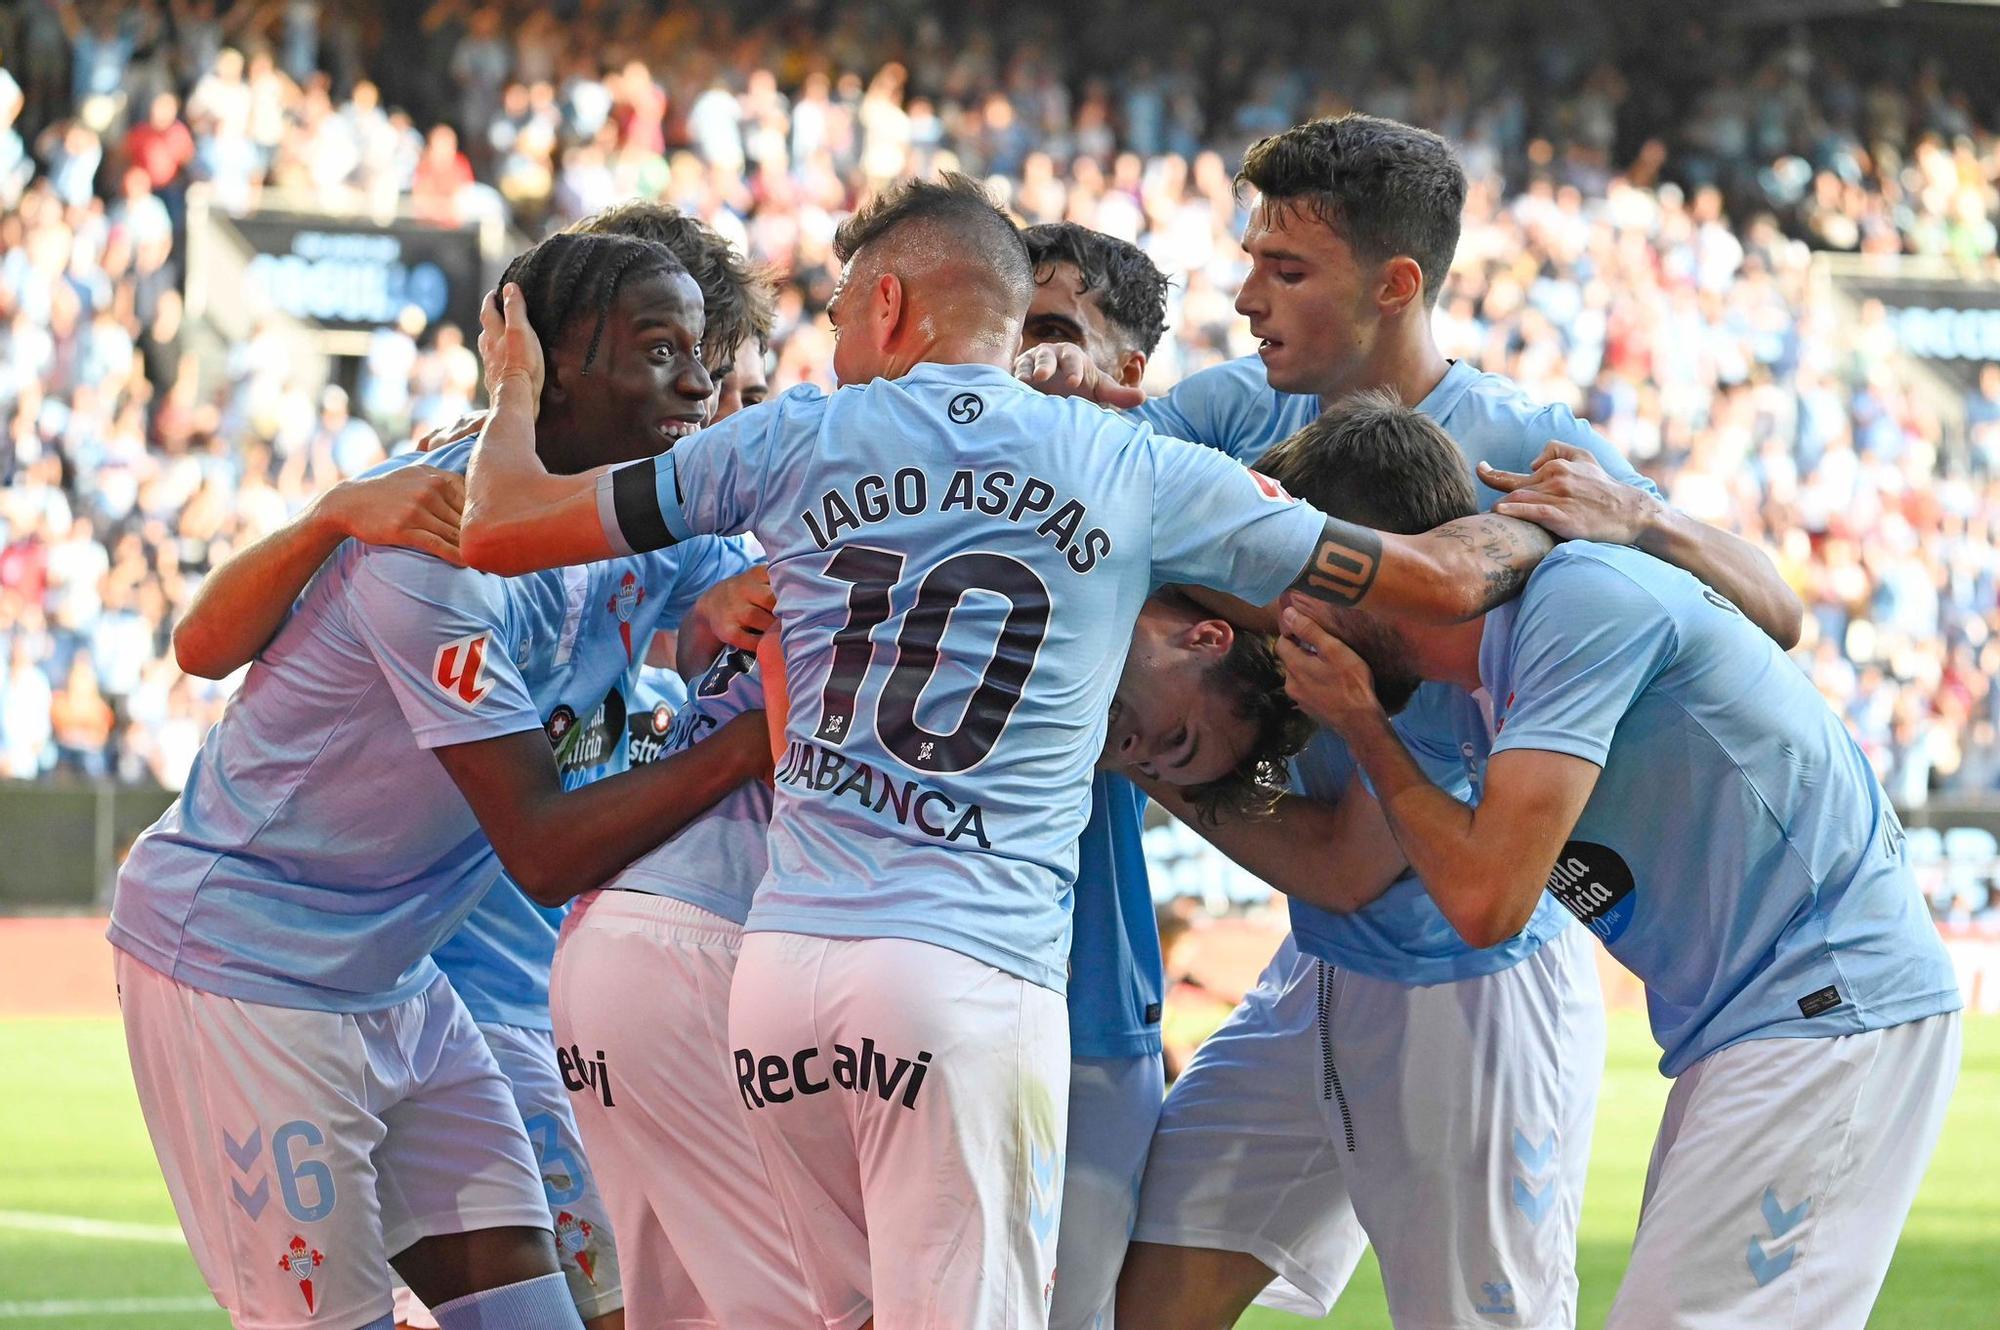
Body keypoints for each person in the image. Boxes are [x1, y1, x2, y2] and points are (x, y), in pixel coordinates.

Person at [459, 173, 1560, 1329]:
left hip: (781, 982)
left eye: (836, 312)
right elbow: (1434, 577)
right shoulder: (1130, 466)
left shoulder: (793, 437)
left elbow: (498, 524)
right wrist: (1551, 517)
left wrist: (512, 391)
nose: (831, 338)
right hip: (965, 972)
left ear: (887, 303)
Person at [1015, 114, 1804, 1330]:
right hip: (1314, 975)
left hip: (1469, 985)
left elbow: (1775, 612)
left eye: (1285, 271)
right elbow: (1078, 483)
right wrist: (1054, 400)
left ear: (1394, 286)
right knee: (1143, 1304)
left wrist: (1650, 524)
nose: (1244, 297)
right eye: (1249, 262)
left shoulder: (1517, 447)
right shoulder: (1232, 410)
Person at [108, 232, 767, 1330]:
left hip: (400, 979)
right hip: (245, 964)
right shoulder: (431, 534)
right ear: (549, 363)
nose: (699, 384)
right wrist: (749, 746)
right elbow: (541, 843)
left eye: (702, 354)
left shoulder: (640, 519)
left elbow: (739, 597)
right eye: (661, 352)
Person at [1272, 391, 1962, 1330]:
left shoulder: (1579, 601)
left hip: (1827, 1004)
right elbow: (1378, 864)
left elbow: (1487, 903)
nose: (1290, 615)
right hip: (1757, 1023)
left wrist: (1359, 723)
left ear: (1373, 567)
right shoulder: (1468, 681)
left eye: (1306, 580)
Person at [1018, 220, 1177, 1330]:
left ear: (1126, 372)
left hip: (1087, 1017)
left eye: (1052, 332)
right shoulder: (889, 481)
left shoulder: (1162, 500)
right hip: (925, 1000)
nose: (1023, 359)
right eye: (1004, 331)